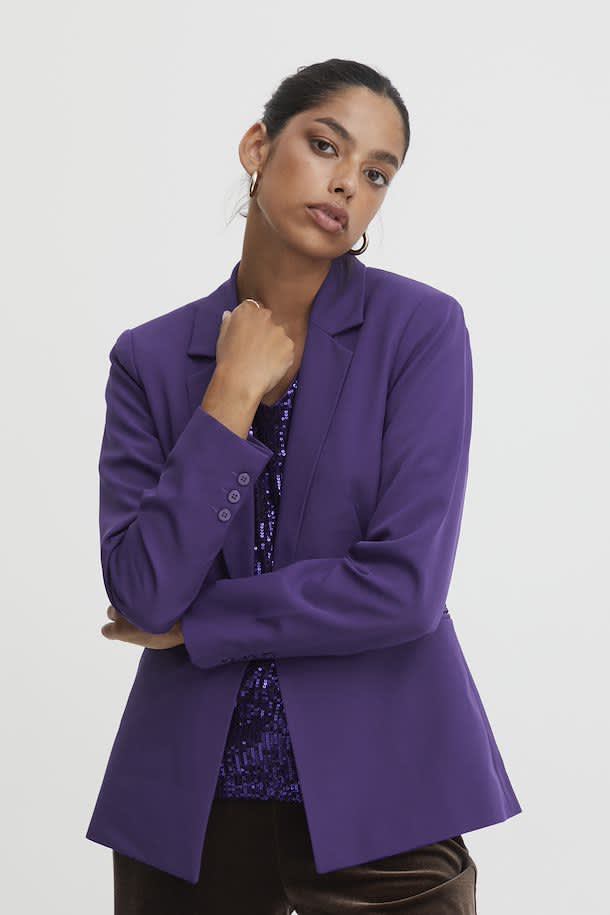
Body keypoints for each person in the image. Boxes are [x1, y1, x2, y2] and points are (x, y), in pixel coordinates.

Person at [87, 58, 522, 914]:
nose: (348, 183)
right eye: (326, 145)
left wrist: (201, 624)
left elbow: (404, 588)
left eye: (377, 173)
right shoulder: (150, 357)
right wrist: (228, 397)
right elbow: (141, 591)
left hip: (386, 801)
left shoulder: (420, 330)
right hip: (188, 813)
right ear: (258, 146)